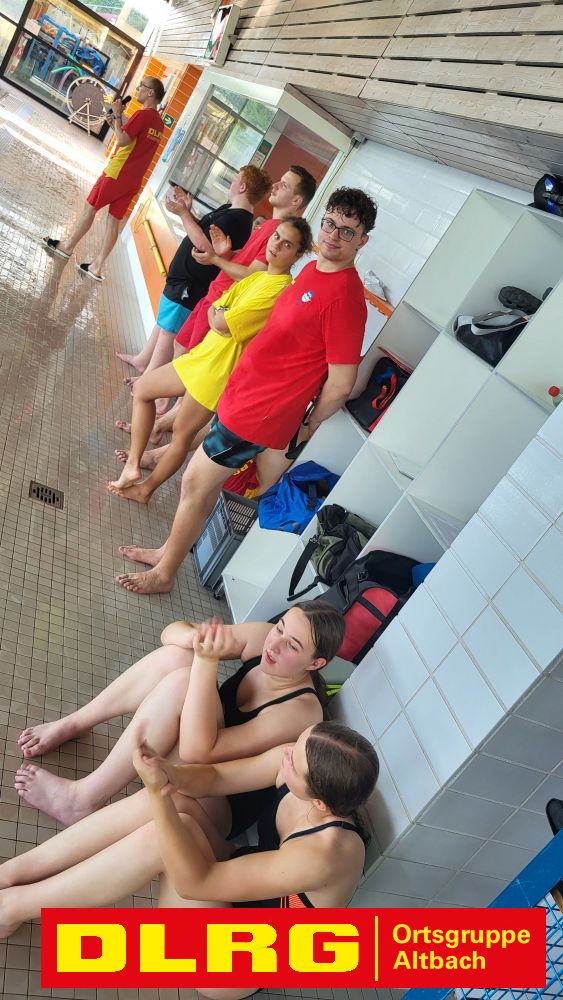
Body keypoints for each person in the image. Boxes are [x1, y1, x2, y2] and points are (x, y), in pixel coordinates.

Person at [115, 187, 377, 594]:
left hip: (262, 412)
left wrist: (308, 424)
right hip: (245, 395)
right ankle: (168, 553)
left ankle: (165, 574)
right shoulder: (312, 271)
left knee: (194, 481)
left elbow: (341, 383)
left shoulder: (346, 298)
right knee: (203, 485)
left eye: (347, 231)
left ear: (362, 241)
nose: (333, 235)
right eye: (330, 223)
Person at [0, 721, 379, 966]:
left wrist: (159, 793)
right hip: (235, 882)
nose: (285, 755)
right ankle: (15, 872)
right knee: (176, 799)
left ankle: (12, 908)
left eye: (294, 761)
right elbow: (215, 778)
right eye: (295, 743)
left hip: (235, 957)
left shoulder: (324, 855)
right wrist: (168, 773)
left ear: (320, 803)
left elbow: (196, 883)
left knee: (161, 833)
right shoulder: (299, 765)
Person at [15, 603, 344, 829]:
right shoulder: (265, 638)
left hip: (216, 801)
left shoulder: (299, 711)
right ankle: (76, 723)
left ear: (315, 664)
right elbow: (171, 632)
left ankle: (81, 800)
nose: (275, 644)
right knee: (179, 657)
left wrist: (206, 661)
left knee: (186, 679)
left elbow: (198, 752)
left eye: (292, 646)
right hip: (193, 758)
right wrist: (196, 641)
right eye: (280, 628)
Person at [107, 217, 313, 502]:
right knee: (142, 390)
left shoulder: (279, 290)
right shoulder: (257, 277)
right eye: (276, 236)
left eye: (287, 244)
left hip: (219, 369)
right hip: (203, 356)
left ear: (298, 255)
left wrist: (220, 313)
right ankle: (133, 466)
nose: (275, 245)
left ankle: (145, 489)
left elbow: (222, 321)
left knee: (181, 435)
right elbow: (216, 307)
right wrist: (220, 313)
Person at [115, 166, 315, 380]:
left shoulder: (273, 230)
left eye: (283, 185)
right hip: (213, 294)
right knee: (180, 346)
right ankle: (154, 388)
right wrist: (226, 253)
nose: (275, 186)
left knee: (186, 352)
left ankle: (150, 388)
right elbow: (244, 259)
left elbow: (251, 274)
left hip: (219, 300)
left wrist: (215, 257)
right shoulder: (268, 226)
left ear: (296, 200)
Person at [42, 76, 165, 280]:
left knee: (90, 207)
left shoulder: (142, 115)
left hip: (117, 173)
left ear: (151, 92)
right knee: (113, 221)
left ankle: (67, 246)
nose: (138, 89)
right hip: (134, 181)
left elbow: (123, 141)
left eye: (141, 86)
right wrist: (117, 122)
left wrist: (117, 115)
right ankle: (97, 266)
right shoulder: (159, 124)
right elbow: (133, 139)